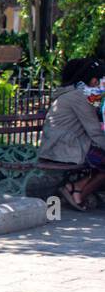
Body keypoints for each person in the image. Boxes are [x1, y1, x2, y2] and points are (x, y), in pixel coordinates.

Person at [39, 56, 105, 210]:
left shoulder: (78, 94)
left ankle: (75, 188)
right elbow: (95, 132)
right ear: (94, 81)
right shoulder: (79, 97)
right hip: (65, 148)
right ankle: (78, 193)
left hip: (68, 144)